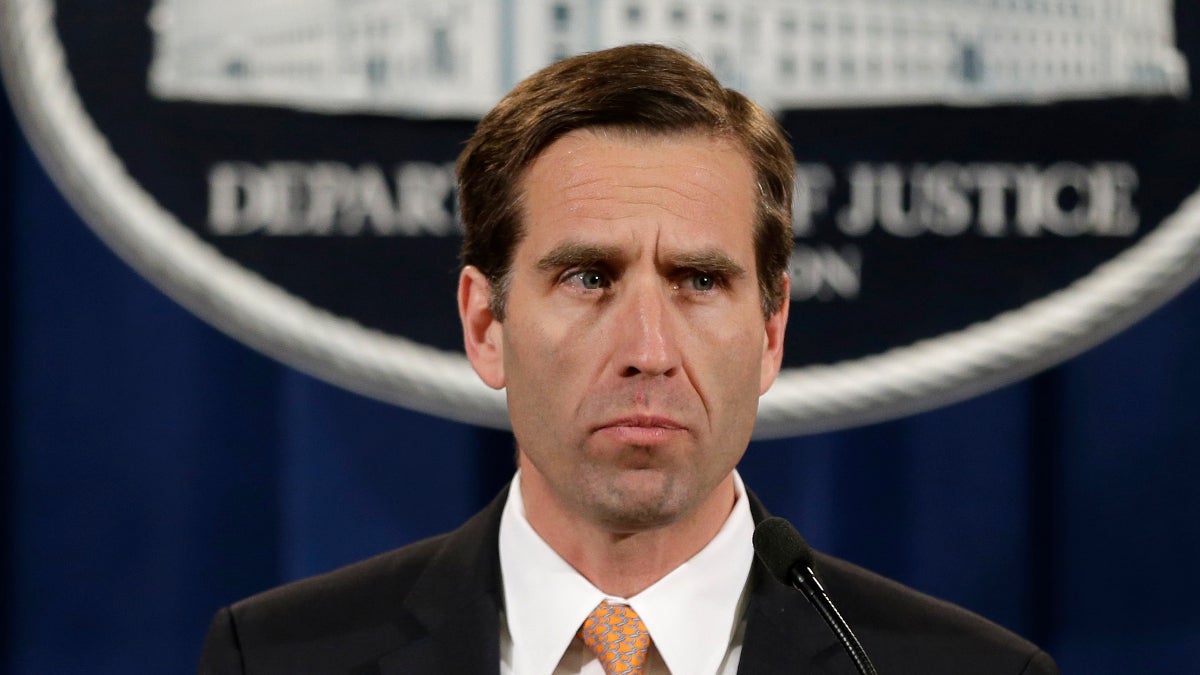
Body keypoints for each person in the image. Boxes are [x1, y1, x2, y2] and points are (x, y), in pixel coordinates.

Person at [199, 44, 1058, 674]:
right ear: (485, 324)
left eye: (699, 279)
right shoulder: (275, 658)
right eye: (587, 276)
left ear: (769, 331)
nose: (648, 351)